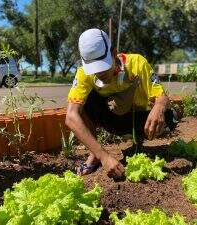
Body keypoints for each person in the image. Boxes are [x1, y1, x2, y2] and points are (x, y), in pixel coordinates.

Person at [65, 28, 177, 178]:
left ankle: (140, 139)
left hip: (140, 120)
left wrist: (159, 106)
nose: (99, 73)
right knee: (83, 100)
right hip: (112, 121)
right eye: (94, 69)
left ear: (113, 53)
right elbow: (71, 116)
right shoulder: (84, 74)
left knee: (169, 118)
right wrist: (103, 156)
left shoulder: (137, 63)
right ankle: (94, 156)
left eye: (103, 67)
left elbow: (161, 96)